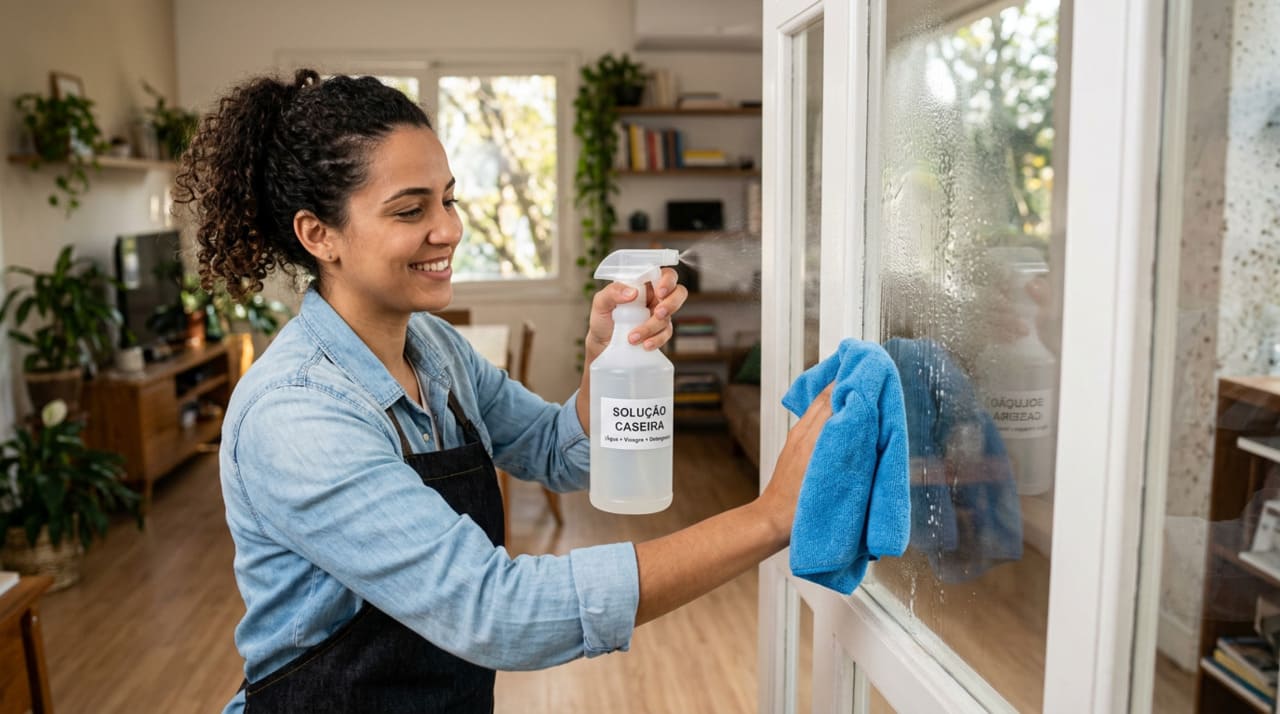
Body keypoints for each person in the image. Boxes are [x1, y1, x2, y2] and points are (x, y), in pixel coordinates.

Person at [174, 69, 831, 714]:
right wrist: (767, 518)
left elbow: (557, 452)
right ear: (318, 234)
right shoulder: (297, 414)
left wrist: (604, 366)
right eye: (410, 209)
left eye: (449, 199)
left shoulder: (437, 349)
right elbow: (498, 613)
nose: (450, 230)